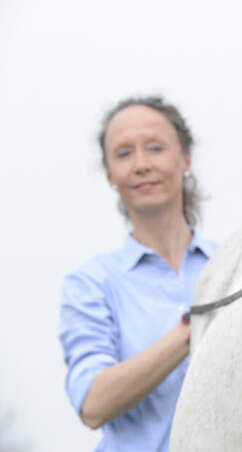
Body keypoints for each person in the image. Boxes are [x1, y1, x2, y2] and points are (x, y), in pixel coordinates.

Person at [58, 96, 217, 451]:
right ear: (111, 175)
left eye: (156, 148)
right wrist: (190, 332)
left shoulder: (235, 265)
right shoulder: (91, 284)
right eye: (124, 153)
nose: (141, 165)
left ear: (185, 159)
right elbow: (94, 405)